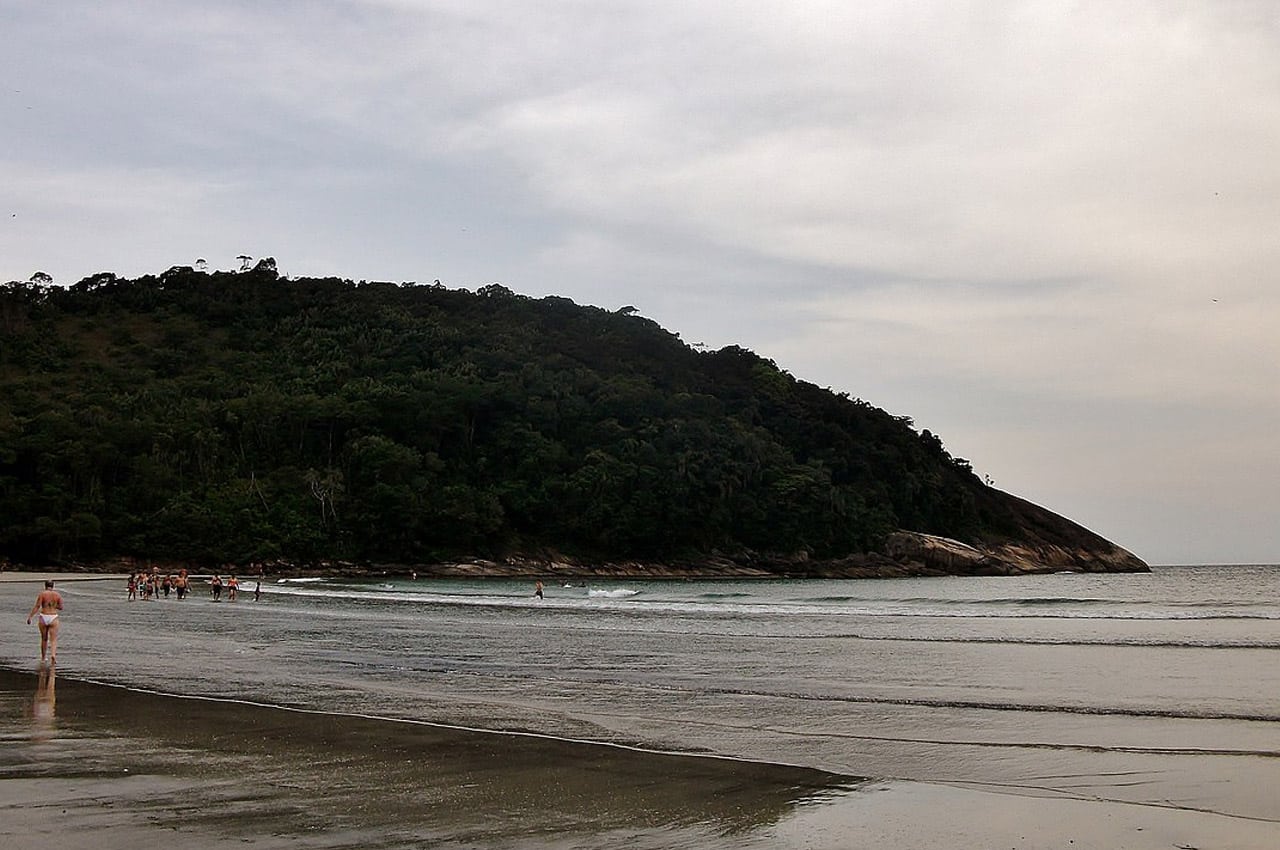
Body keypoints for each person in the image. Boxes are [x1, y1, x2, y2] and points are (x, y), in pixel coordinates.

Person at [26, 580, 63, 666]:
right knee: (53, 639)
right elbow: (61, 607)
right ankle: (53, 655)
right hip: (53, 617)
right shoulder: (57, 595)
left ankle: (43, 657)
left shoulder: (42, 594)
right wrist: (53, 605)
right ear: (53, 586)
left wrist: (30, 617)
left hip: (43, 616)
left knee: (44, 639)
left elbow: (37, 606)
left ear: (45, 586)